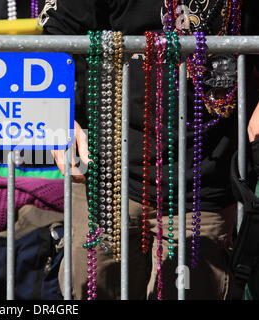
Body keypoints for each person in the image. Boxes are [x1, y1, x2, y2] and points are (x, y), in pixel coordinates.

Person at [39, 0, 259, 299]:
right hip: (107, 180)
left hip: (202, 186)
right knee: (89, 289)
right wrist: (58, 120)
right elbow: (53, 37)